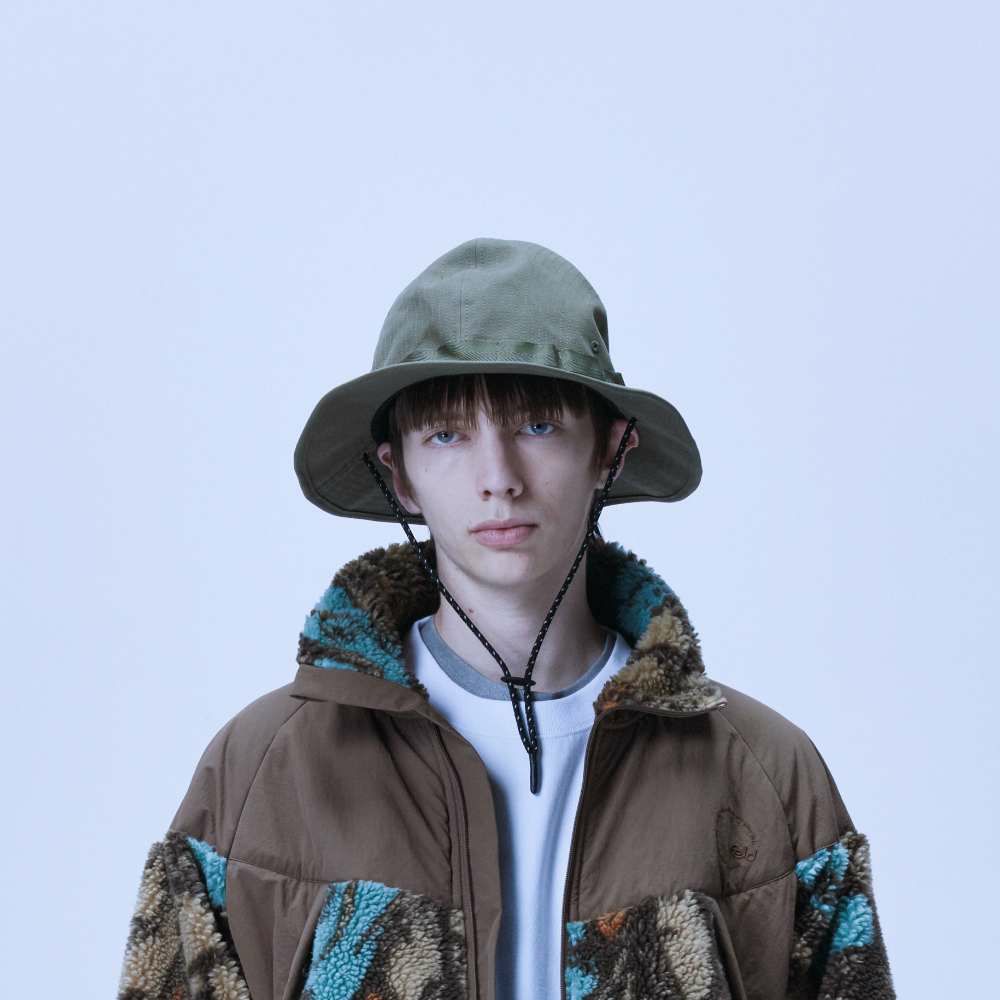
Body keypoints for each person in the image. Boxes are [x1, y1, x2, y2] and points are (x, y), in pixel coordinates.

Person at [116, 237, 896, 1000]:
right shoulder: (263, 769)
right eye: (447, 434)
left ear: (611, 451)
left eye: (537, 426)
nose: (498, 478)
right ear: (400, 474)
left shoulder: (765, 772)